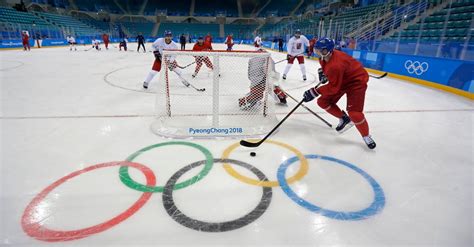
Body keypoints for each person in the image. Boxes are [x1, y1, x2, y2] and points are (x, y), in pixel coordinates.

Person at [302, 38, 376, 149]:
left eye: (321, 51)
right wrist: (324, 73)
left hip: (356, 82)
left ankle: (366, 136)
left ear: (329, 50)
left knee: (355, 113)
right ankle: (344, 119)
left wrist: (315, 91)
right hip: (342, 79)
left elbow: (333, 88)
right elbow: (331, 74)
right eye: (316, 50)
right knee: (323, 101)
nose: (317, 53)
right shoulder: (324, 57)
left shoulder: (336, 65)